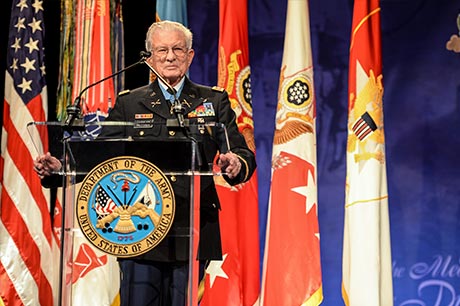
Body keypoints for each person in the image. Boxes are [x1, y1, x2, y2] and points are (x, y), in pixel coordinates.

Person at [34, 20, 256, 306]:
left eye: (178, 49)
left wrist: (235, 163)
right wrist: (60, 169)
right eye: (162, 50)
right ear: (149, 58)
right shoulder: (131, 103)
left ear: (190, 56)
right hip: (139, 227)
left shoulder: (212, 100)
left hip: (193, 226)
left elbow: (241, 152)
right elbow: (101, 155)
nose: (170, 56)